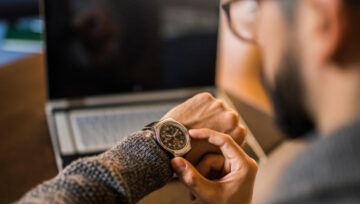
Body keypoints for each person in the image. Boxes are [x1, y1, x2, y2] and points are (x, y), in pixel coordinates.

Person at [17, 0, 360, 203]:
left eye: (257, 8)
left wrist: (159, 143)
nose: (257, 38)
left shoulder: (308, 190)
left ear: (322, 20)